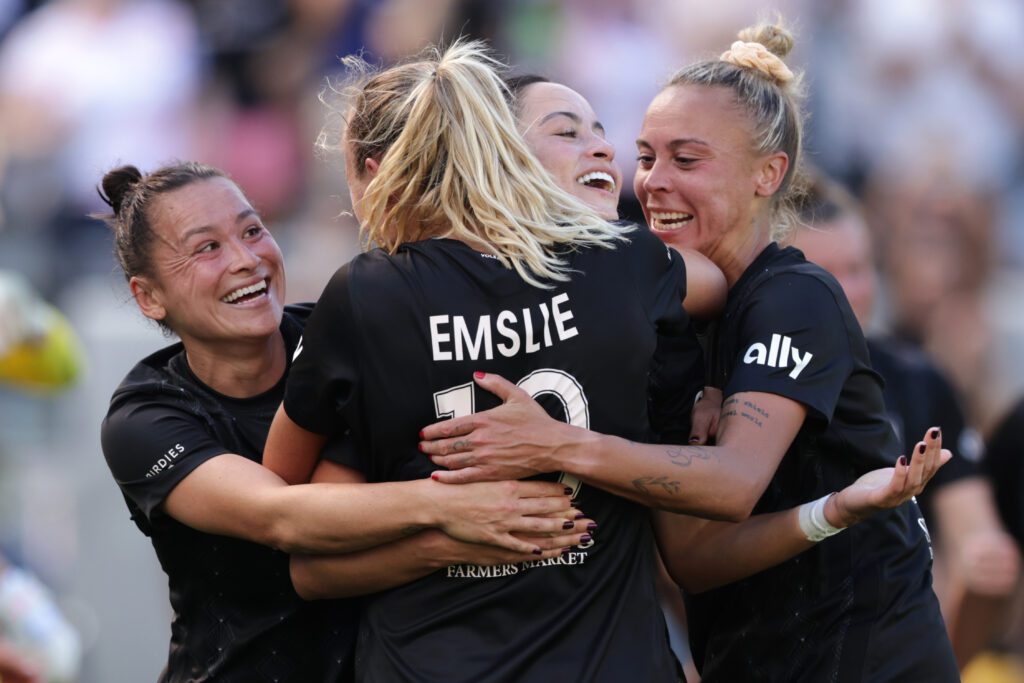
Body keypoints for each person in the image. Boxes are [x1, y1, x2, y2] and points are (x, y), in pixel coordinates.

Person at [264, 39, 950, 682]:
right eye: (643, 155)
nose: (625, 163)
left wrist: (529, 463)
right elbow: (692, 551)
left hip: (851, 650)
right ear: (499, 155)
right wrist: (450, 519)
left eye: (683, 159)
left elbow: (291, 524)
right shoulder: (630, 274)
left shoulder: (373, 295)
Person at [97, 161, 587, 682]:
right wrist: (454, 511)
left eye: (252, 230)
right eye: (207, 248)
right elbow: (280, 517)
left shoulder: (350, 333)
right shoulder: (144, 417)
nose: (246, 259)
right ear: (149, 296)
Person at [789, 172, 1021, 669]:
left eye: (858, 268)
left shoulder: (918, 381)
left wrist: (982, 554)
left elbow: (974, 529)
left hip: (901, 644)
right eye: (824, 275)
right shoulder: (745, 389)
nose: (848, 292)